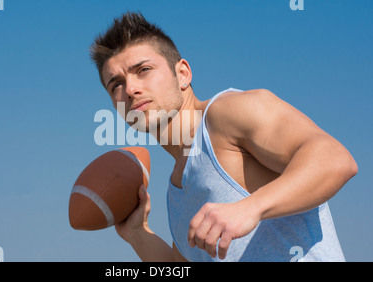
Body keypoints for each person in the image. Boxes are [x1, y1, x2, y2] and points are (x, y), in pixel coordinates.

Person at [89, 12, 358, 262]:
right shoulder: (175, 195)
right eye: (117, 85)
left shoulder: (227, 113)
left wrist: (251, 208)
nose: (131, 89)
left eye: (143, 70)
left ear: (182, 74)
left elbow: (335, 160)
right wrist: (138, 234)